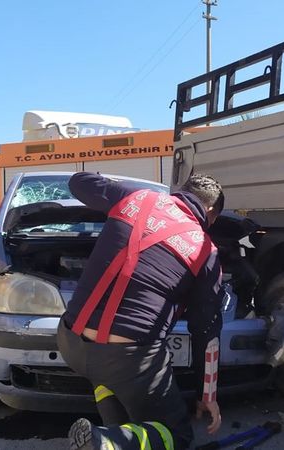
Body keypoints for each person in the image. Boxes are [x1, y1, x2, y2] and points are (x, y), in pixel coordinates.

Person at [56, 172, 226, 450]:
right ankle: (104, 443)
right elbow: (206, 331)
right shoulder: (206, 250)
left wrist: (127, 188)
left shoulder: (138, 198)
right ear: (210, 212)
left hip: (71, 341)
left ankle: (110, 439)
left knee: (127, 408)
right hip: (128, 359)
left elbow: (79, 182)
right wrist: (206, 394)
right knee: (176, 436)